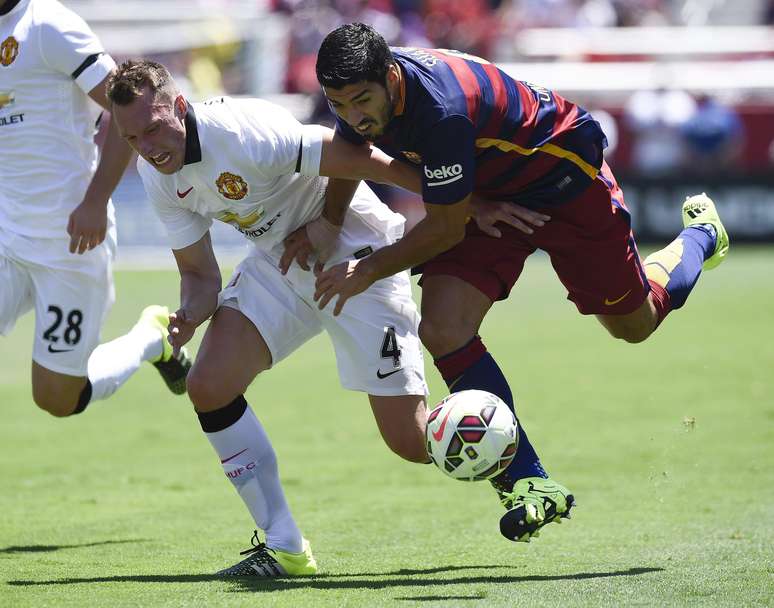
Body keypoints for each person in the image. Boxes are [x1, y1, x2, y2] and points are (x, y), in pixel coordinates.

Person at [311, 23, 730, 542]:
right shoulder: (365, 81)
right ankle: (530, 485)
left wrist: (368, 268)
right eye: (339, 104)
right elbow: (352, 151)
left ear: (392, 78)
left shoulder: (440, 110)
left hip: (565, 179)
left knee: (634, 323)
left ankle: (701, 237)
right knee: (443, 328)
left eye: (361, 102)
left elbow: (443, 227)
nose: (353, 116)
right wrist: (329, 222)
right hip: (489, 196)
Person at [107, 59, 431, 577]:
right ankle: (285, 546)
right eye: (131, 138)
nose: (147, 146)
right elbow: (200, 275)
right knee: (209, 384)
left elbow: (358, 157)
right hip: (280, 263)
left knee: (411, 443)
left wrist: (460, 199)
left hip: (356, 250)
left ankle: (518, 467)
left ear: (182, 107)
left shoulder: (242, 132)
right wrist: (189, 316)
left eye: (153, 128)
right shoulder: (156, 174)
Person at [0, 0, 191, 420]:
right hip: (6, 237)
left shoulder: (49, 25)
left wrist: (95, 201)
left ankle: (149, 337)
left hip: (71, 241)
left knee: (56, 398)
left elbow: (129, 113)